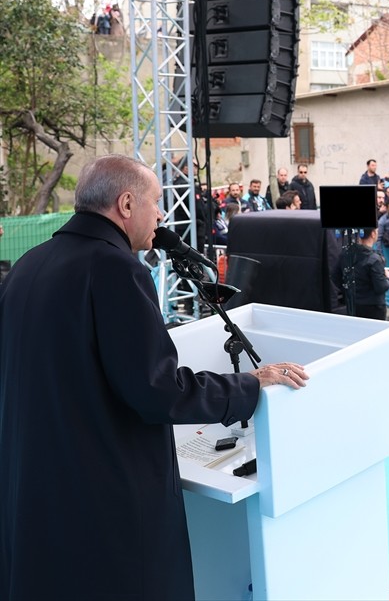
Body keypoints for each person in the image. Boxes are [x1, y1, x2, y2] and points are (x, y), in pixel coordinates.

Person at [0, 155, 307, 600]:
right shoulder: (115, 268)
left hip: (35, 483)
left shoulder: (28, 264)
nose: (162, 216)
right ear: (126, 204)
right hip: (101, 494)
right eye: (156, 202)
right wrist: (250, 384)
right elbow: (157, 390)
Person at [342, 227, 389, 319]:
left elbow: (335, 276)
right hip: (373, 307)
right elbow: (381, 286)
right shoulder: (375, 260)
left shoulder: (347, 255)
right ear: (373, 234)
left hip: (352, 304)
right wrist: (388, 278)